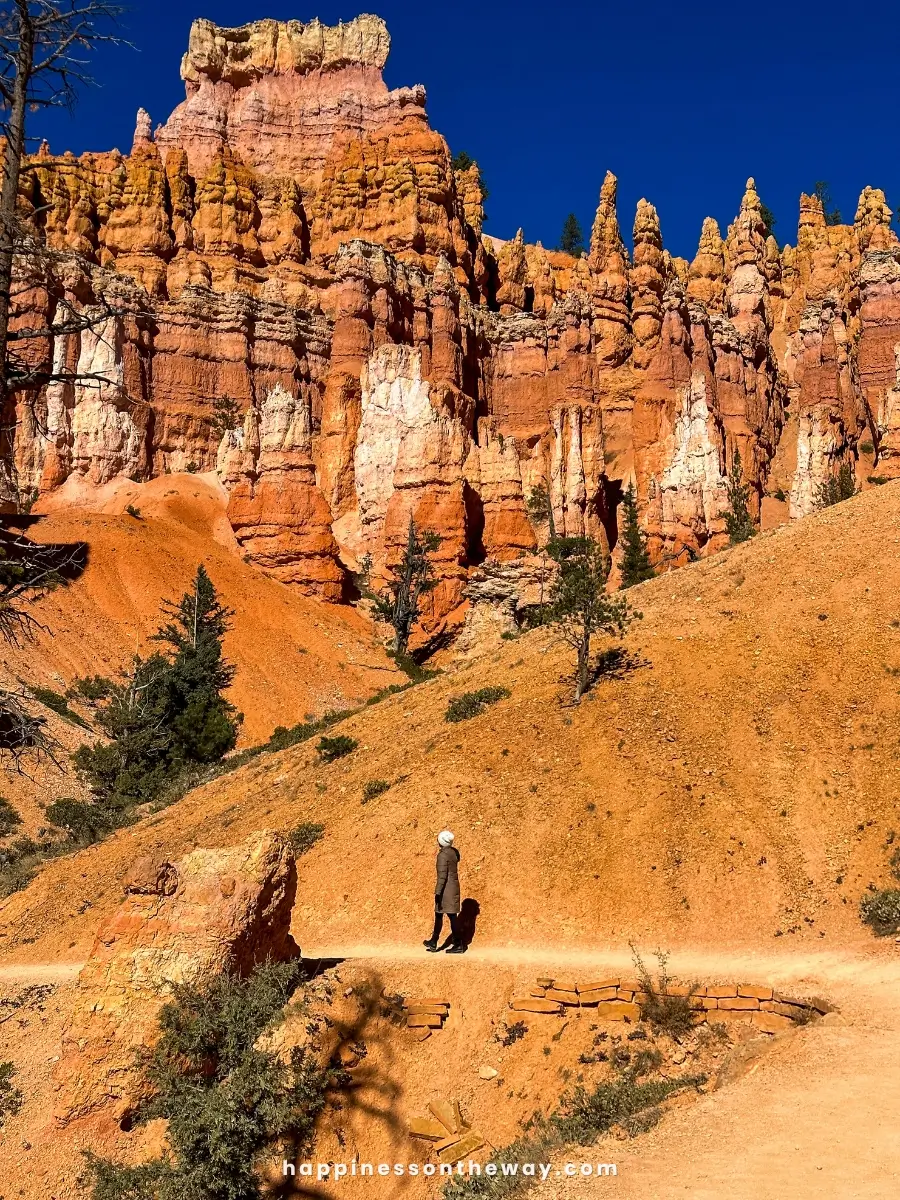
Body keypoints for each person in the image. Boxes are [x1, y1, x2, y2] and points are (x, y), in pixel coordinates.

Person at [424, 829, 464, 953]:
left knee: (448, 916)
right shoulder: (453, 853)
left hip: (446, 890)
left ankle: (457, 945)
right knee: (444, 915)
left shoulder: (443, 855)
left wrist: (438, 892)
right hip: (453, 888)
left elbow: (442, 875)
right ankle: (434, 941)